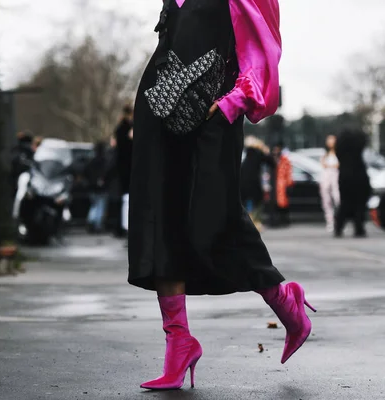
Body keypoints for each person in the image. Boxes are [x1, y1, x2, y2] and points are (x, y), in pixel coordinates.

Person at [128, 0, 315, 391]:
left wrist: (231, 103)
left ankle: (285, 301)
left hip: (213, 115)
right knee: (161, 216)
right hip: (161, 107)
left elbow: (264, 49)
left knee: (214, 219)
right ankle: (178, 341)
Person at [335, 128, 371, 238]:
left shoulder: (341, 152)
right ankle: (359, 227)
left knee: (345, 202)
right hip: (359, 175)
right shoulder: (358, 150)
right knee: (360, 203)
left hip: (344, 176)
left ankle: (339, 226)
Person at [241, 136, 273, 231]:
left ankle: (246, 223)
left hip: (242, 184)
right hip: (254, 184)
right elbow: (271, 163)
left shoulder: (246, 154)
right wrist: (265, 150)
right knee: (258, 203)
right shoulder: (258, 154)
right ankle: (255, 222)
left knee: (244, 204)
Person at [115, 104, 134, 239]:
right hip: (128, 166)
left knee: (124, 199)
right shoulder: (127, 129)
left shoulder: (120, 128)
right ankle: (126, 226)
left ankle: (123, 226)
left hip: (122, 166)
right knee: (127, 199)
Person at [84, 141, 108, 233]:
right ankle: (97, 225)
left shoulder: (91, 161)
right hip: (101, 187)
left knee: (94, 205)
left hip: (92, 186)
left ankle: (91, 221)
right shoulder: (104, 161)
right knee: (100, 206)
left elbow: (86, 172)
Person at [320, 135, 340, 232]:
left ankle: (338, 220)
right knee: (326, 200)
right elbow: (323, 164)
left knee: (337, 198)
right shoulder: (325, 154)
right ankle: (330, 221)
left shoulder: (339, 153)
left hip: (335, 177)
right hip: (326, 178)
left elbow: (337, 165)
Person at [272, 142, 294, 227]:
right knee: (278, 203)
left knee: (284, 203)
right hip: (277, 185)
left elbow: (288, 173)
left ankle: (284, 220)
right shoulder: (274, 159)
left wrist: (289, 184)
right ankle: (280, 220)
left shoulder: (284, 160)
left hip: (282, 185)